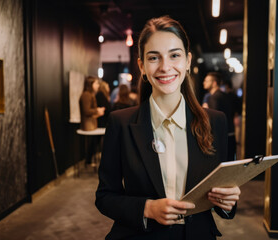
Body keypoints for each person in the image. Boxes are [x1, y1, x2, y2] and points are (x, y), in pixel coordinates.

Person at [95, 16, 240, 240]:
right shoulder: (121, 123)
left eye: (174, 55)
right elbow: (105, 197)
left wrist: (228, 202)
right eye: (154, 57)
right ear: (142, 65)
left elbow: (223, 195)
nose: (165, 67)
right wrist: (147, 208)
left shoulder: (215, 122)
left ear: (188, 61)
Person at [203, 72, 235, 161]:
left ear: (214, 83)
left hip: (220, 136)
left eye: (207, 81)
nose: (204, 82)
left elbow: (214, 120)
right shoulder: (224, 95)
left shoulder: (213, 97)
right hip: (230, 132)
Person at [79, 76, 105, 164]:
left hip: (92, 125)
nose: (98, 85)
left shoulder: (90, 94)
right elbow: (86, 111)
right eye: (96, 83)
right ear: (91, 84)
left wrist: (98, 111)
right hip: (87, 126)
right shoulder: (86, 95)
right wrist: (97, 110)